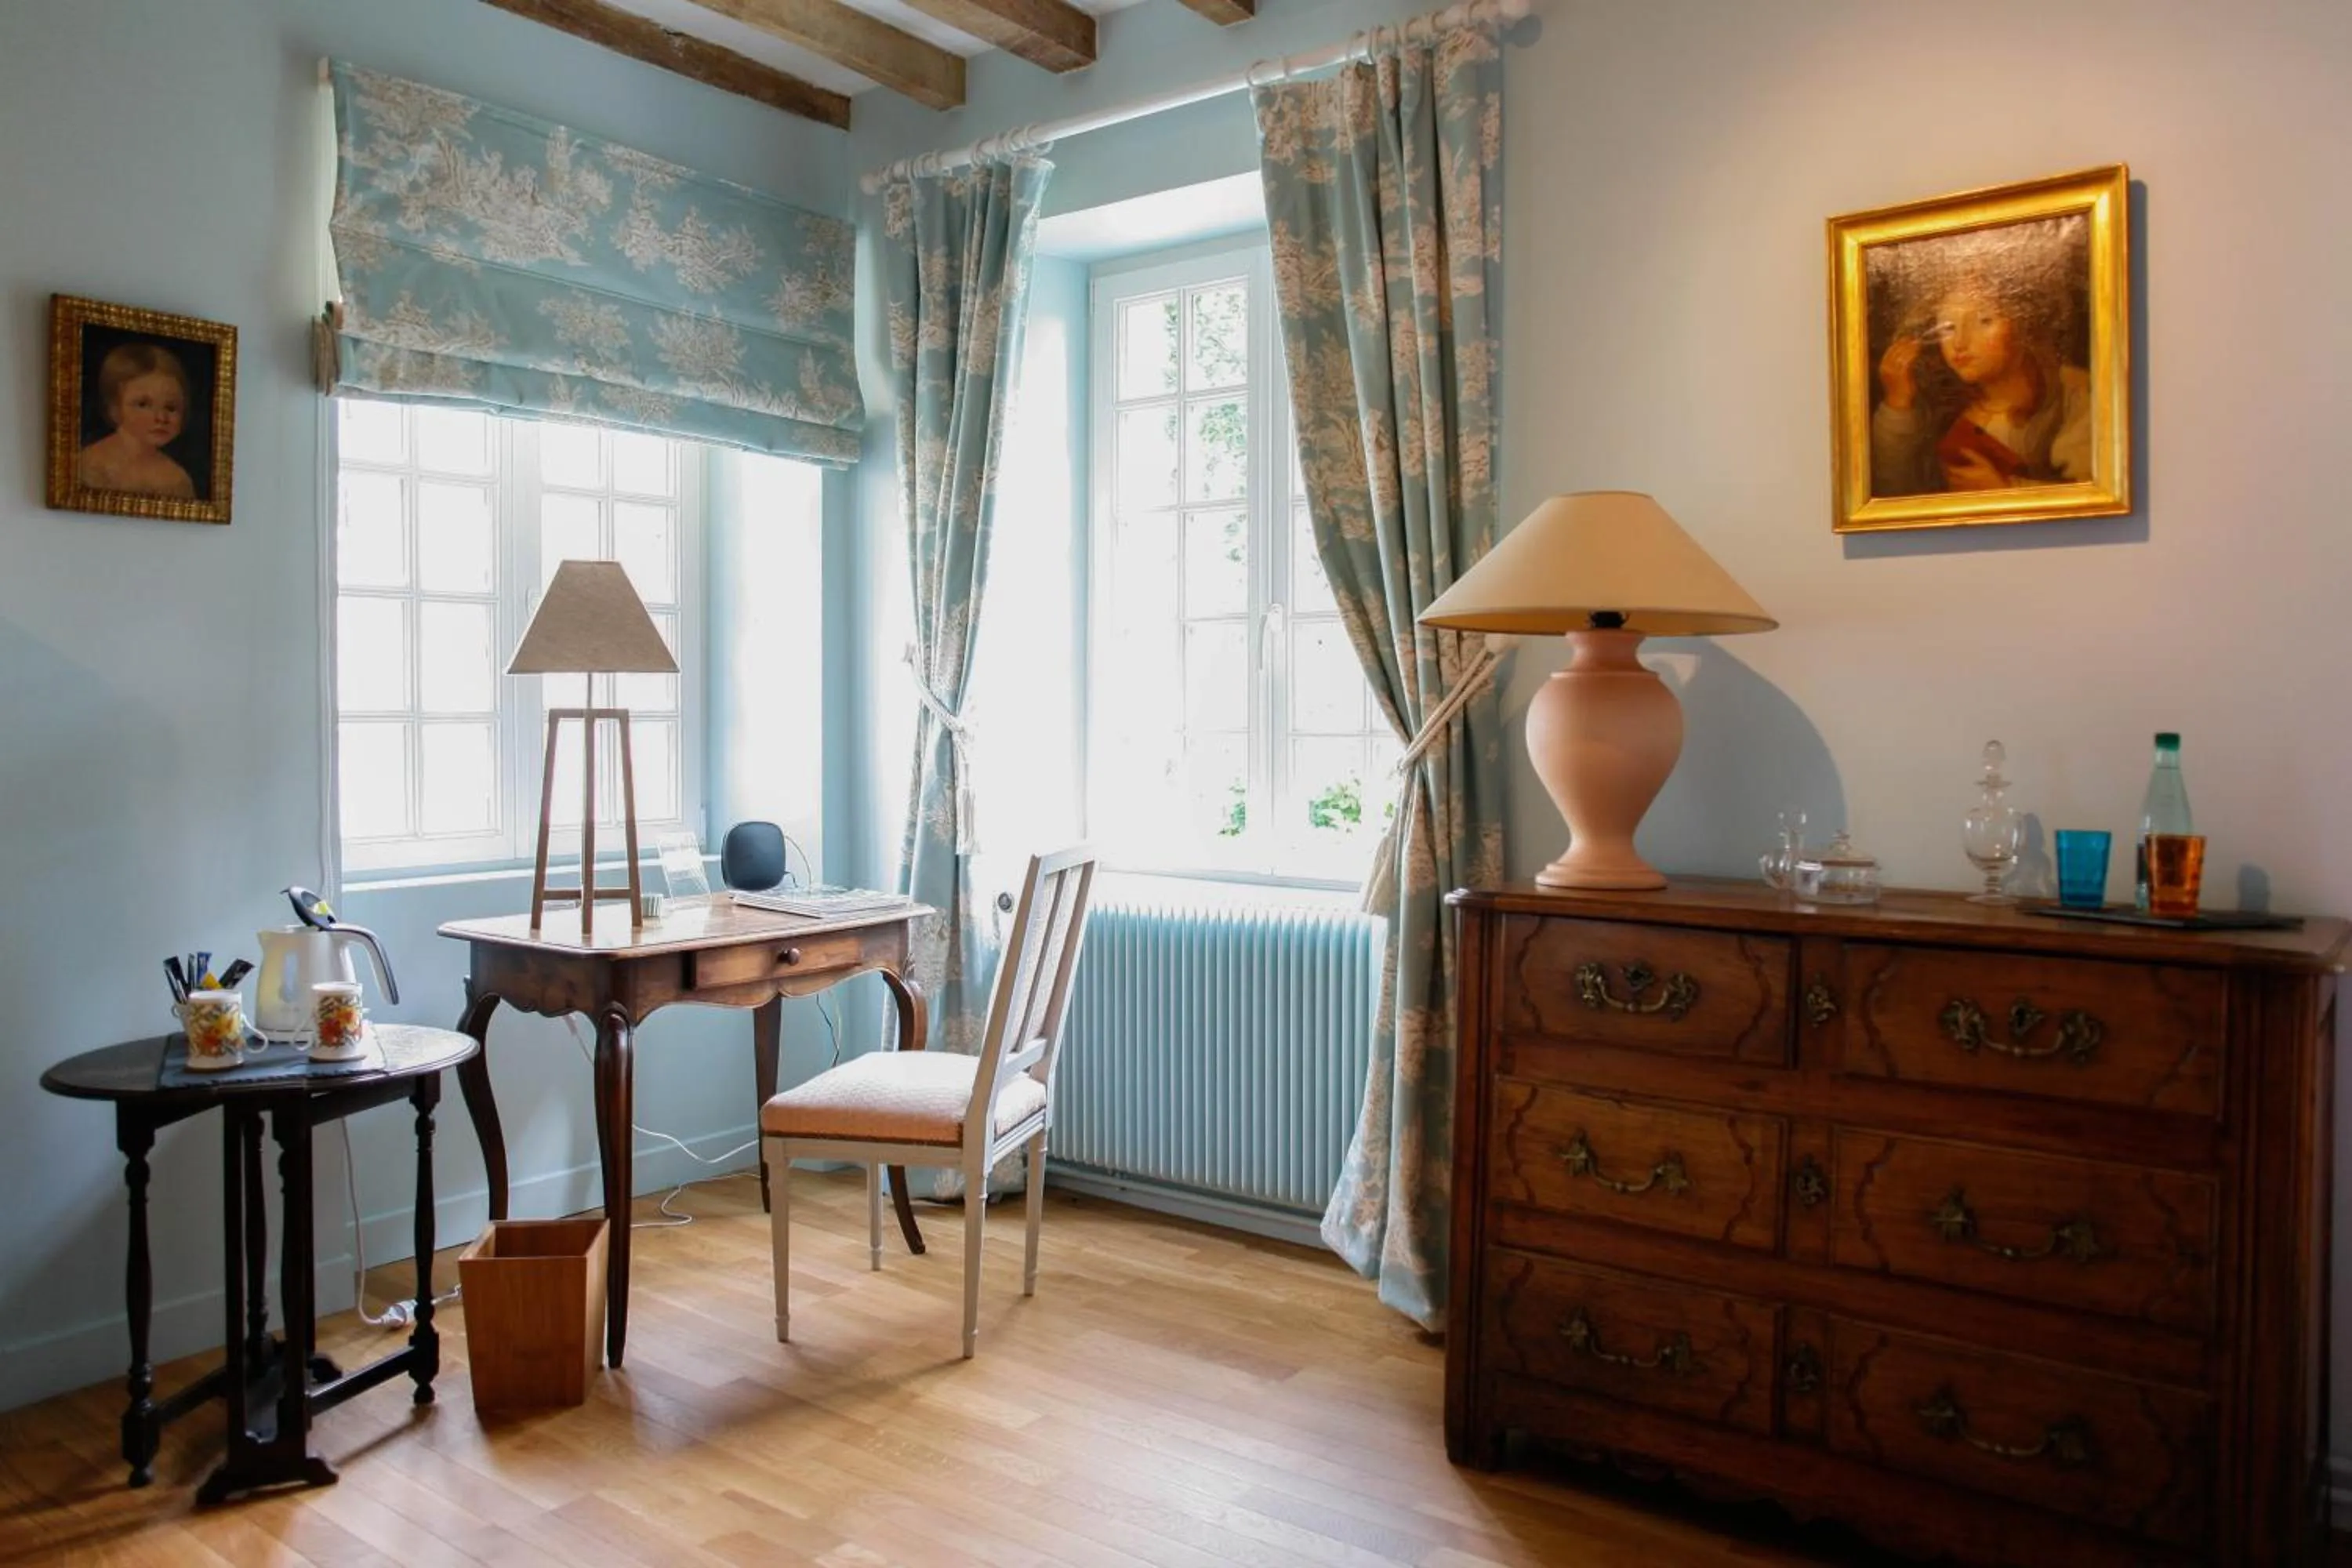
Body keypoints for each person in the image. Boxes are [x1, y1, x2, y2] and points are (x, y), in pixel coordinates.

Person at [1870, 234, 2092, 498]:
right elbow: (1896, 494)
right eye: (1948, 327)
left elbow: (2096, 495)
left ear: (2024, 324)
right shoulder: (1944, 409)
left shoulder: (2073, 393)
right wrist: (1898, 404)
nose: (1960, 342)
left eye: (1984, 321)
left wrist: (2007, 490)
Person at [78, 343, 198, 498]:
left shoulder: (177, 479)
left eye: (171, 408)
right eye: (143, 405)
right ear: (115, 409)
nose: (161, 418)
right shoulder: (90, 466)